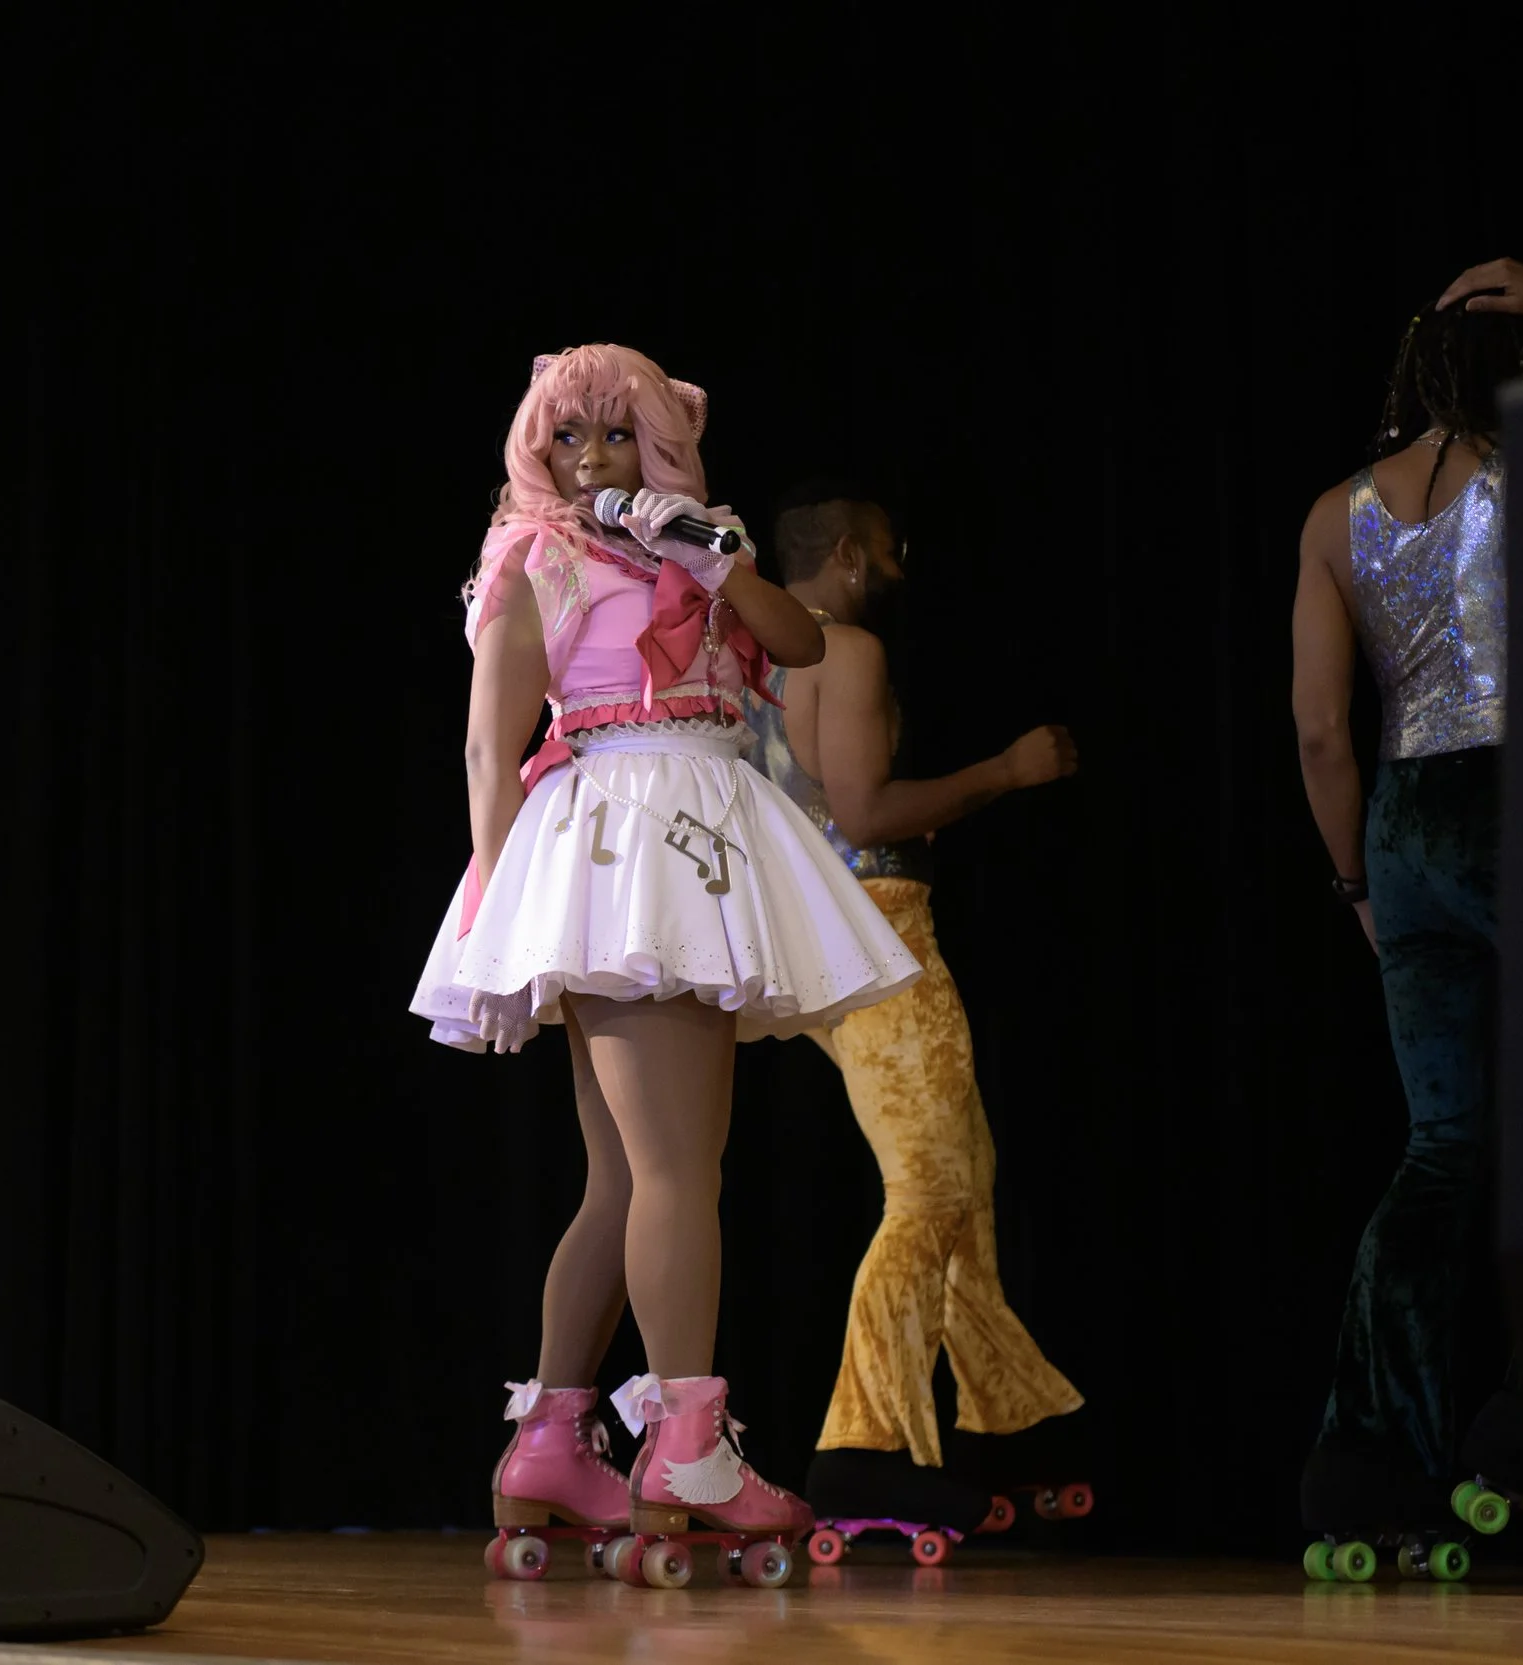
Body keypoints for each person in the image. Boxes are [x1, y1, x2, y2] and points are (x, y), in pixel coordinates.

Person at [411, 346, 923, 1567]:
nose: (592, 460)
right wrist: (497, 906)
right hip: (628, 839)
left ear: (660, 440)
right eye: (568, 437)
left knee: (627, 1180)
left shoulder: (698, 539)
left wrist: (712, 556)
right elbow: (489, 747)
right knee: (679, 1171)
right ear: (536, 448)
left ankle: (549, 1444)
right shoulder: (534, 556)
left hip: (689, 823)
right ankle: (687, 1447)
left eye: (615, 435)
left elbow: (799, 646)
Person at [740, 484, 1086, 1541]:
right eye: (889, 551)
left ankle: (1003, 1416)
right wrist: (1008, 772)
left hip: (807, 937)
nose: (898, 569)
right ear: (847, 554)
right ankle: (863, 1448)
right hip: (877, 929)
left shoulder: (743, 660)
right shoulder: (843, 650)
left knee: (962, 1178)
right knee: (933, 1188)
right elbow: (863, 811)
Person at [1289, 290, 1523, 1568]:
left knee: (1441, 1151)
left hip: (1402, 827)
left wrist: (1359, 885)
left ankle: (1367, 1468)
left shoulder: (1332, 514)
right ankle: (1521, 1441)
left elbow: (1320, 732)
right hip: (1516, 807)